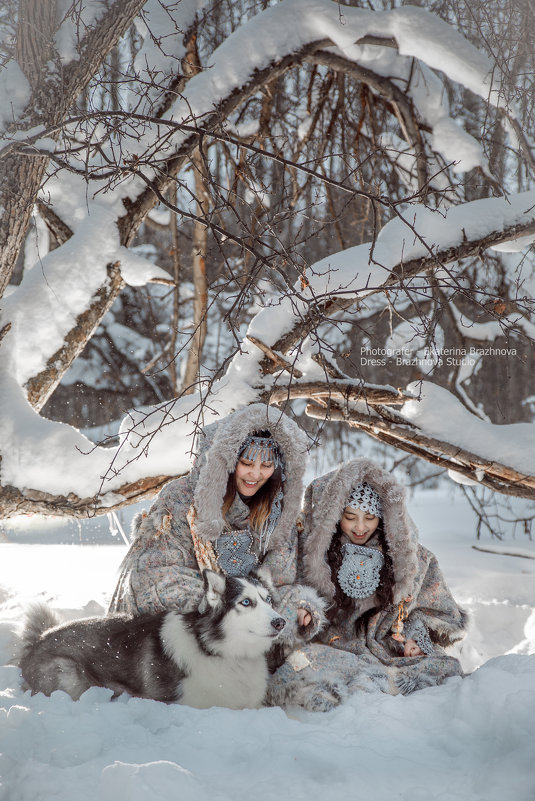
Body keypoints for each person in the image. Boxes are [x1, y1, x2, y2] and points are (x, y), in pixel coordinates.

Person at [108, 403, 326, 656]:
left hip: (255, 639)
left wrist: (299, 607)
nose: (255, 474)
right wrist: (228, 607)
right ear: (227, 459)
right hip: (176, 640)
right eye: (246, 462)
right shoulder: (182, 500)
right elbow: (153, 578)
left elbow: (281, 581)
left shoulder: (279, 512)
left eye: (267, 466)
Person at [267, 458, 468, 711]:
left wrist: (415, 636)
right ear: (335, 515)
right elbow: (288, 588)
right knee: (300, 666)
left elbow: (433, 610)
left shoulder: (409, 557)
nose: (360, 527)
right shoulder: (312, 551)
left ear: (383, 519)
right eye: (350, 517)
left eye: (370, 518)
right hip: (327, 646)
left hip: (386, 647)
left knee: (442, 669)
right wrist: (305, 608)